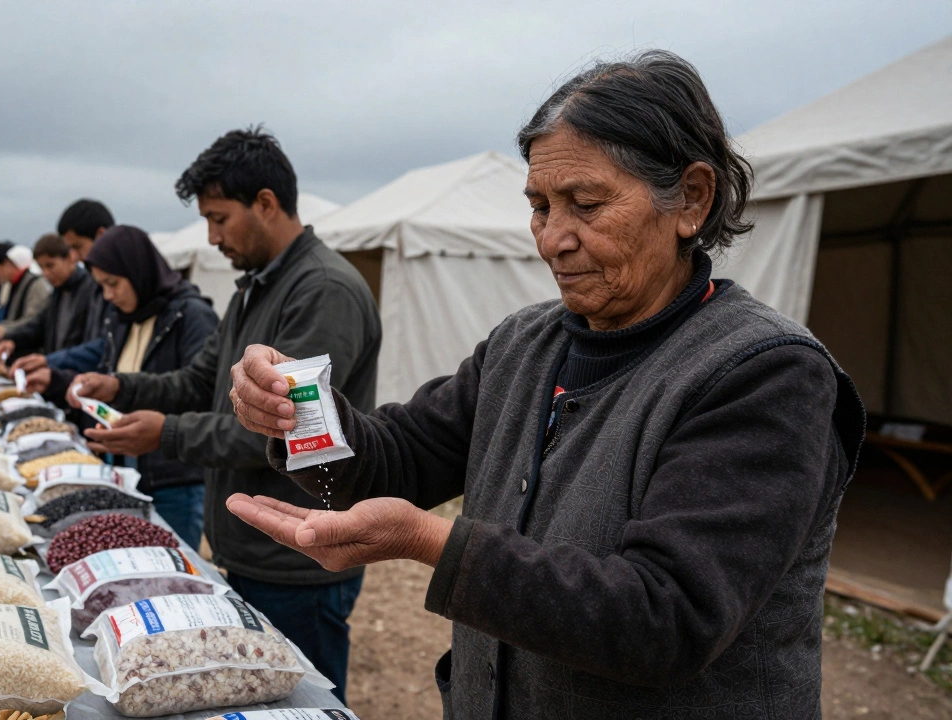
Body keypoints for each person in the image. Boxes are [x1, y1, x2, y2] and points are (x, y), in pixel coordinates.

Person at [225, 51, 866, 720]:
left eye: (586, 205)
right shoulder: (523, 347)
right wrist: (295, 413)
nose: (552, 239)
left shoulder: (764, 374)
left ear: (692, 200)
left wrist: (431, 543)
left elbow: (667, 617)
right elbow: (396, 460)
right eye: (539, 207)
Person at [69, 128, 381, 701]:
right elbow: (197, 380)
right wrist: (121, 383)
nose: (211, 237)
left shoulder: (322, 291)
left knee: (299, 704)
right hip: (254, 544)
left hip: (300, 553)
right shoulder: (252, 291)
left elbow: (282, 427)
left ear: (265, 203)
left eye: (219, 218)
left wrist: (166, 434)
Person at [25, 225, 219, 548]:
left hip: (172, 478)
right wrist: (62, 382)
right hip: (125, 470)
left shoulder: (192, 316)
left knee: (173, 565)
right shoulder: (122, 317)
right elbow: (109, 379)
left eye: (113, 284)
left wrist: (128, 397)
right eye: (102, 286)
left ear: (138, 270)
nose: (108, 295)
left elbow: (199, 390)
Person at [0, 234, 101, 363]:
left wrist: (51, 362)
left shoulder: (90, 291)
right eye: (42, 268)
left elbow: (92, 346)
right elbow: (38, 326)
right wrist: (13, 341)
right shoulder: (57, 293)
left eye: (50, 266)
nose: (46, 273)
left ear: (69, 258)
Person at [0, 241, 51, 343]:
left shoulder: (35, 284)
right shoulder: (16, 284)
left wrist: (3, 330)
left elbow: (32, 321)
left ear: (9, 264)